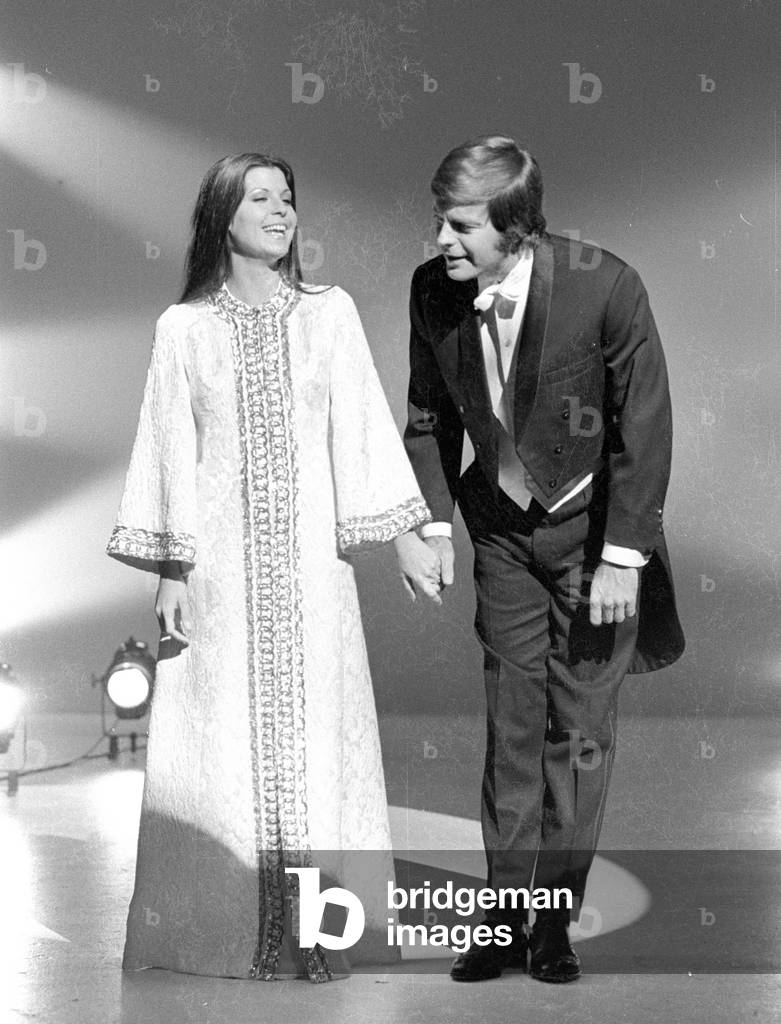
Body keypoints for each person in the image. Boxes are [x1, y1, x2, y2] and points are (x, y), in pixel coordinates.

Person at [107, 153, 440, 983]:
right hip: (218, 579)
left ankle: (325, 932)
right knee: (218, 753)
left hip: (312, 577)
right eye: (260, 197)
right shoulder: (183, 330)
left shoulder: (327, 314)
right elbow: (169, 448)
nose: (281, 210)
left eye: (288, 197)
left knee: (318, 739)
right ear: (222, 215)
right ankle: (217, 932)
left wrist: (404, 530)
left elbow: (360, 422)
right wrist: (171, 568)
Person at [403, 136, 685, 983]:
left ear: (515, 227)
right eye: (439, 222)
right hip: (499, 538)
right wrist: (425, 526)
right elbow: (428, 419)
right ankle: (502, 919)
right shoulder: (431, 291)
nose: (441, 241)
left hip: (594, 541)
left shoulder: (605, 283)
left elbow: (644, 424)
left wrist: (622, 557)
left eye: (458, 226)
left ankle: (554, 922)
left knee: (579, 738)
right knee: (513, 732)